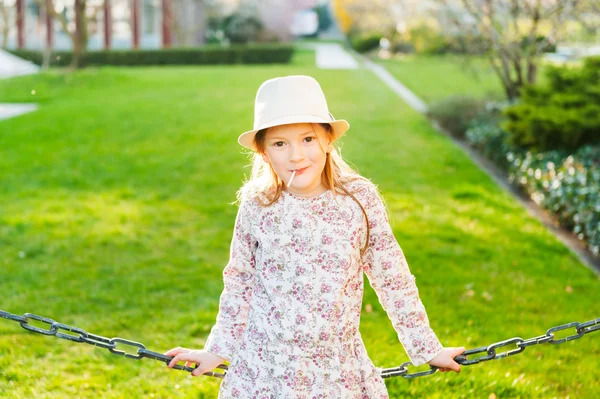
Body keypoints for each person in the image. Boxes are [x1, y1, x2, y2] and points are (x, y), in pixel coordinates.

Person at [164, 75, 465, 397]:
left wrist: (426, 347)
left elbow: (392, 277)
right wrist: (217, 349)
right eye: (280, 143)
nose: (296, 155)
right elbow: (240, 281)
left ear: (327, 140)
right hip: (265, 368)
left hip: (336, 369)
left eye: (307, 139)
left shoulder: (358, 200)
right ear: (264, 152)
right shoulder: (258, 203)